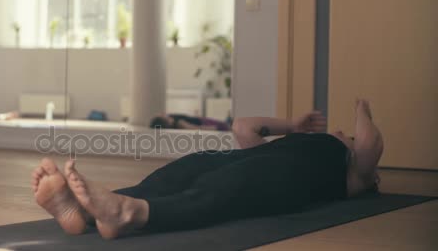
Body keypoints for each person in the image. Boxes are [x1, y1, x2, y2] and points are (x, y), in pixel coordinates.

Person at [31, 99, 383, 239]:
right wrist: (292, 125)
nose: (338, 132)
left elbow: (369, 145)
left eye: (344, 134)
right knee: (188, 169)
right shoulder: (290, 147)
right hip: (247, 164)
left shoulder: (351, 175)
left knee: (221, 188)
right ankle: (86, 213)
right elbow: (244, 127)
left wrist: (361, 111)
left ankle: (128, 213)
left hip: (275, 183)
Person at [149, 113, 231, 131]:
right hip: (203, 122)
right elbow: (195, 128)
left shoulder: (173, 119)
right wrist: (215, 128)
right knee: (225, 125)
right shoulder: (179, 123)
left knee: (225, 123)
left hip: (201, 120)